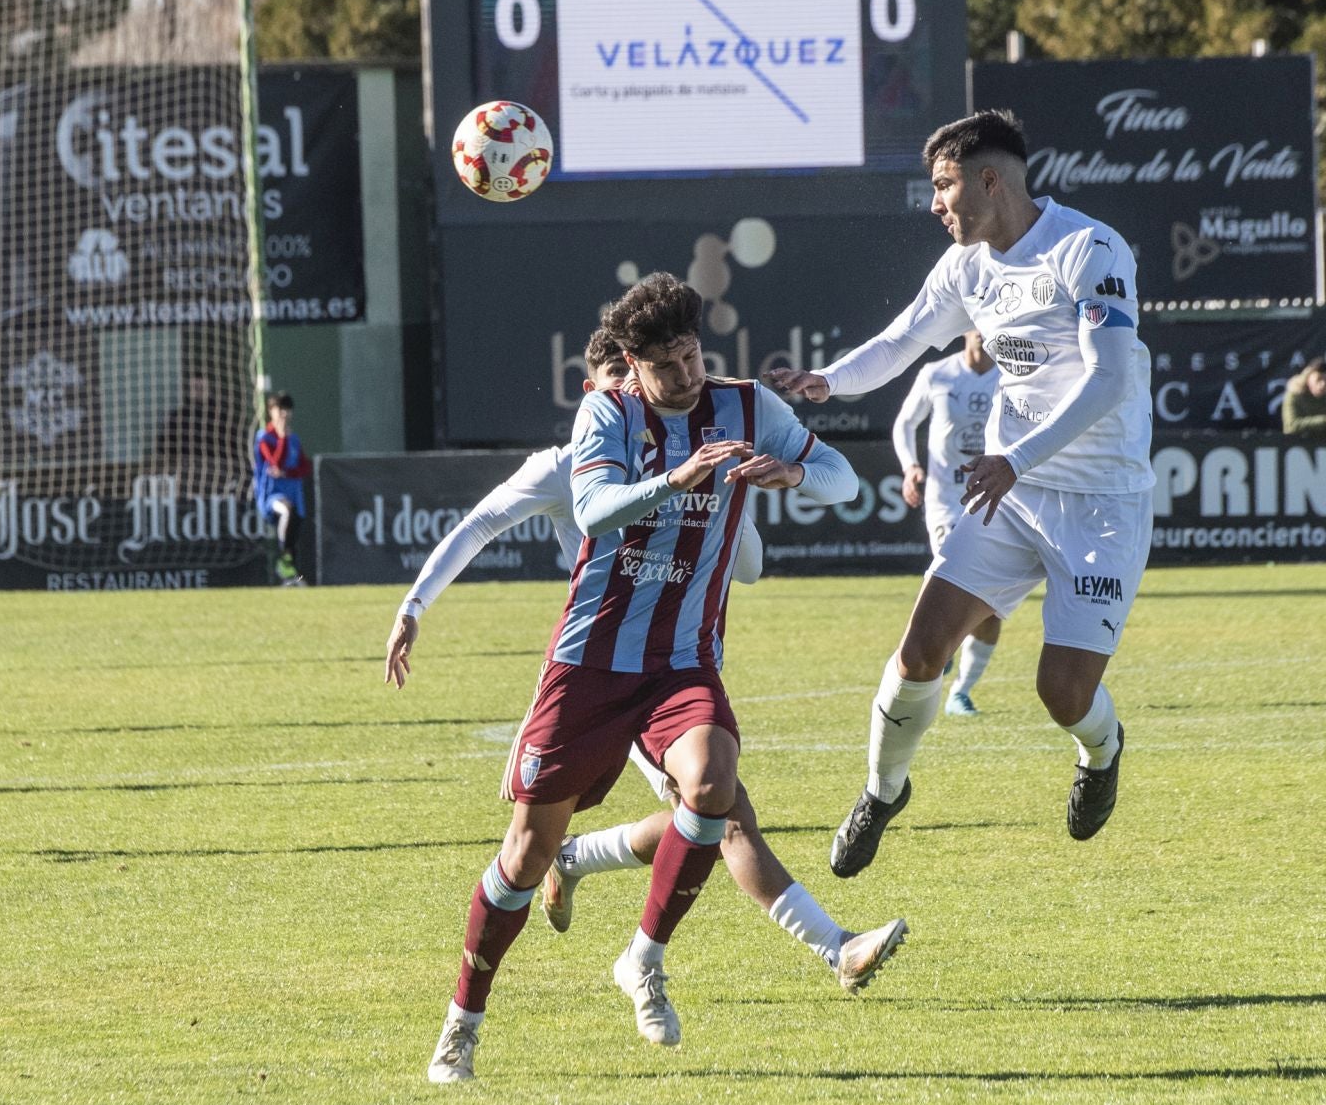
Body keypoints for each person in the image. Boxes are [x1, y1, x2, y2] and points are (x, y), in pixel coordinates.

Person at [386, 330, 902, 1020]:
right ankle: (824, 947)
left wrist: (734, 495)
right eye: (617, 385)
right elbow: (479, 525)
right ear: (593, 392)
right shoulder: (564, 467)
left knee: (718, 812)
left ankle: (819, 944)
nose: (631, 397)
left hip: (676, 668)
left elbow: (748, 566)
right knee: (711, 819)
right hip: (599, 671)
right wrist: (415, 603)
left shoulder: (700, 444)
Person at [766, 108, 1152, 877]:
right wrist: (828, 382)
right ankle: (881, 792)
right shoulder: (965, 267)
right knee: (919, 652)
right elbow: (904, 339)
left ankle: (1102, 752)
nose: (936, 203)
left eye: (943, 186)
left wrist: (1018, 456)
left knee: (1062, 694)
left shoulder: (1089, 247)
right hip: (1009, 492)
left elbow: (1110, 379)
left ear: (989, 179)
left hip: (1102, 501)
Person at [891, 330, 1005, 716]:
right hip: (945, 502)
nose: (984, 332)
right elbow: (904, 424)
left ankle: (961, 692)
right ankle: (941, 643)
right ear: (964, 330)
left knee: (989, 607)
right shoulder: (937, 374)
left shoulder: (1011, 374)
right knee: (956, 583)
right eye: (976, 324)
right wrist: (910, 468)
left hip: (993, 498)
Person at [253, 392, 312, 585]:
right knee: (287, 511)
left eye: (287, 410)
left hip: (294, 493)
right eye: (280, 410)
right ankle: (283, 562)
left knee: (294, 530)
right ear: (271, 412)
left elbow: (304, 467)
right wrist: (281, 439)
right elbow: (274, 463)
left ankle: (290, 576)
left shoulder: (293, 438)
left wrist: (287, 473)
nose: (284, 415)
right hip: (272, 495)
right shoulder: (265, 438)